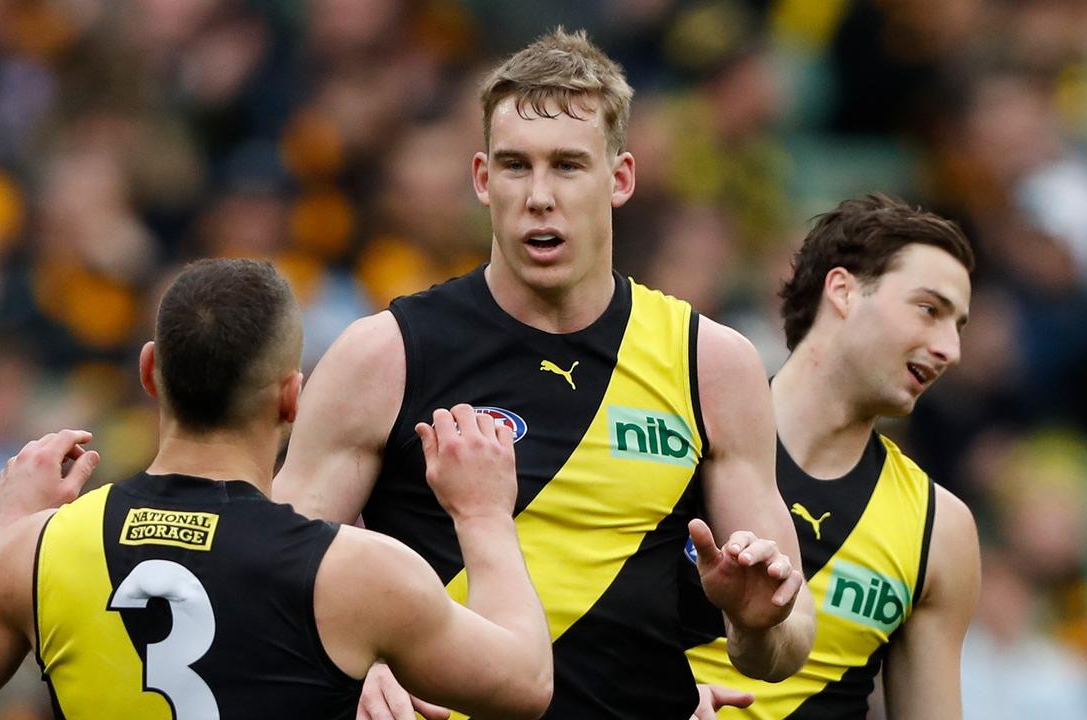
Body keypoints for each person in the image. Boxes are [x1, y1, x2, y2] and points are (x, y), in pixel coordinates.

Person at [272, 28, 815, 719]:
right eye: (515, 166)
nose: (538, 195)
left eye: (567, 165)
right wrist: (357, 667)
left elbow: (789, 643)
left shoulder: (710, 363)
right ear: (481, 178)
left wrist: (755, 622)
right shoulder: (384, 355)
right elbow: (273, 589)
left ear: (619, 179)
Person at [0, 259, 553, 719]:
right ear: (292, 398)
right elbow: (524, 686)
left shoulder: (40, 550)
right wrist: (483, 514)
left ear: (148, 374)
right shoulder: (355, 573)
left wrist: (3, 527)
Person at [681, 194, 982, 718]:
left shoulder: (940, 530)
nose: (949, 350)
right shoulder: (684, 439)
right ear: (842, 290)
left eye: (958, 327)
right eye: (929, 310)